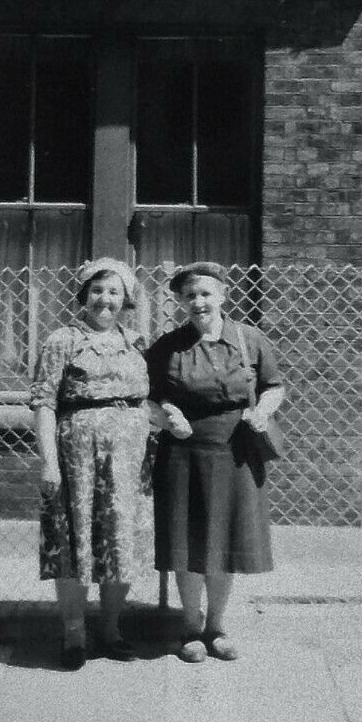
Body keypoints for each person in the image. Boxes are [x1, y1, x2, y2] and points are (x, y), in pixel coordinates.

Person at [147, 261, 286, 663]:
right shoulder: (168, 346)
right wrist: (168, 413)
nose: (198, 302)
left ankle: (217, 627)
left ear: (223, 295)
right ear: (180, 302)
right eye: (190, 295)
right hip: (183, 453)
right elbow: (151, 396)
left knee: (224, 541)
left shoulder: (248, 338)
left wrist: (262, 410)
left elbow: (275, 386)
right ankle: (190, 628)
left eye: (206, 293)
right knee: (186, 543)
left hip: (236, 452)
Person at [30, 257, 152, 670]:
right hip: (76, 460)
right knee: (73, 539)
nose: (105, 300)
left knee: (121, 540)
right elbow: (44, 403)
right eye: (98, 290)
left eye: (114, 292)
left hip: (129, 461)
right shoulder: (62, 340)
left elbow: (151, 399)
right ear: (84, 295)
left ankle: (112, 629)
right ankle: (74, 633)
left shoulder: (137, 344)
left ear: (126, 299)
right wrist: (49, 462)